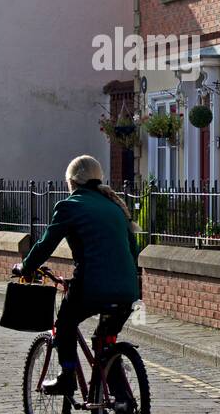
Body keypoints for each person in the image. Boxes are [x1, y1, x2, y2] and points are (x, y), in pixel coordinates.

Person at [15, 156, 140, 395]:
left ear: (71, 182)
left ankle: (67, 376)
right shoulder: (115, 207)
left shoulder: (70, 206)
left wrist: (27, 267)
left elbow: (45, 244)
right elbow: (132, 250)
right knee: (105, 341)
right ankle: (122, 399)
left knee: (65, 323)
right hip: (127, 290)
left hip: (92, 288)